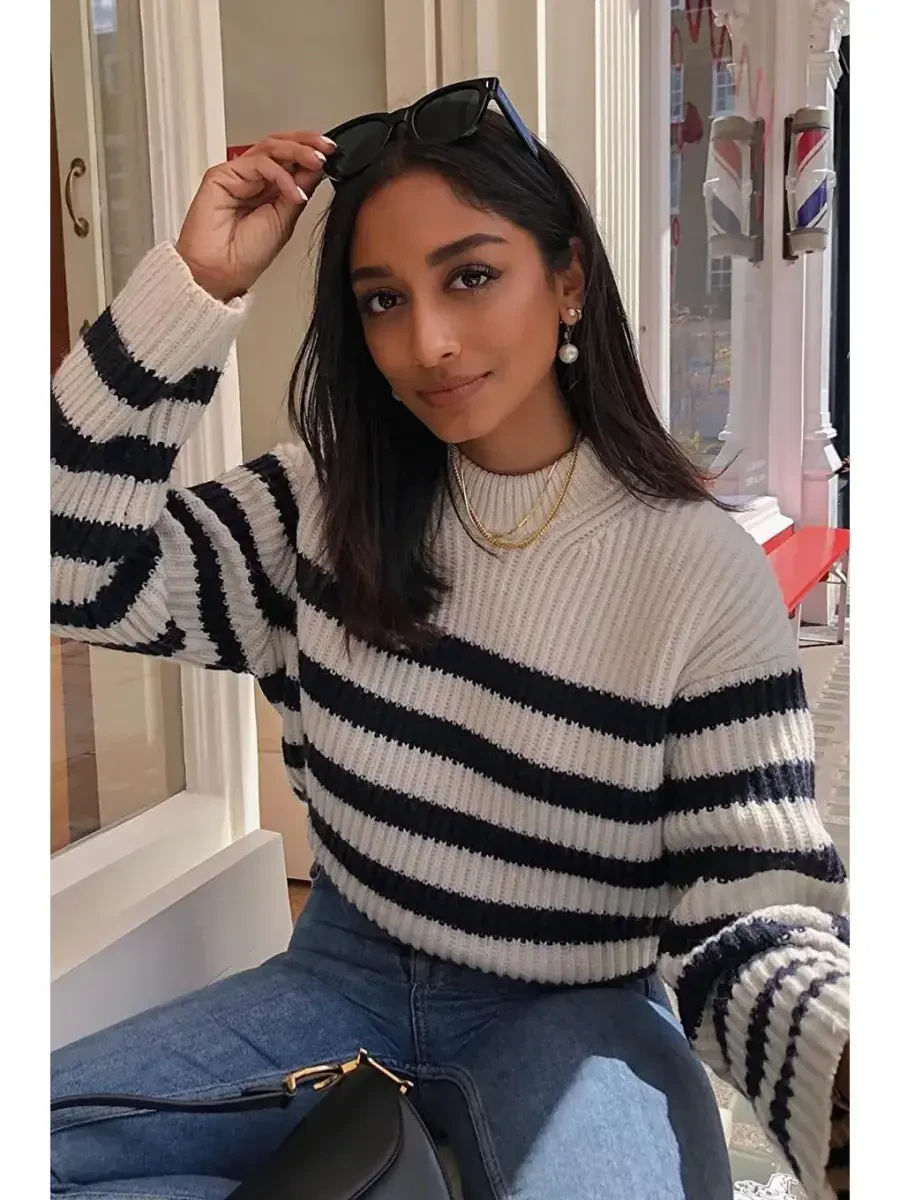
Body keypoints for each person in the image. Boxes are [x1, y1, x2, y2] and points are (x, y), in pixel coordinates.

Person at [50, 83, 849, 1200]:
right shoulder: (321, 506)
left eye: (471, 276)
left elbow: (747, 912)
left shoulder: (696, 570)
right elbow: (65, 569)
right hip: (341, 974)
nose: (426, 342)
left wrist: (847, 1067)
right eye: (383, 300)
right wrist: (196, 287)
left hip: (577, 1013)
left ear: (567, 281)